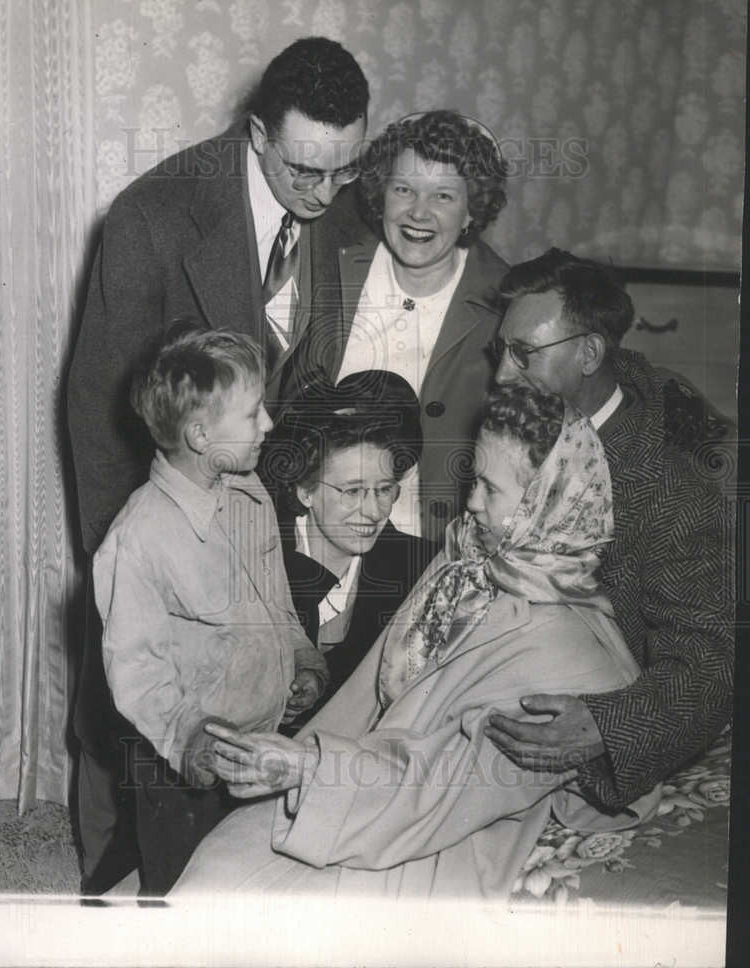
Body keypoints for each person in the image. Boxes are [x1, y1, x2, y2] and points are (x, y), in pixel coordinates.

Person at [66, 36, 369, 892]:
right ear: (258, 134)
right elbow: (97, 410)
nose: (327, 194)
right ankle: (98, 890)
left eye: (344, 171)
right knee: (128, 721)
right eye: (306, 171)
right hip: (163, 512)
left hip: (258, 515)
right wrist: (127, 569)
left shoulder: (337, 202)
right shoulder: (152, 218)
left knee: (246, 743)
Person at [169, 385, 660, 901]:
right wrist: (297, 757)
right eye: (474, 479)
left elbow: (442, 787)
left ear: (548, 502)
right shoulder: (472, 560)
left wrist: (308, 767)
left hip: (427, 833)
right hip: (357, 779)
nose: (470, 501)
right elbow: (366, 698)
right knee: (210, 868)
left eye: (490, 489)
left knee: (224, 899)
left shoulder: (567, 655)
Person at [483, 248, 734, 812]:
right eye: (500, 351)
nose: (501, 375)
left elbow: (714, 662)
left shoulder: (672, 489)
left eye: (523, 354)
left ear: (590, 353)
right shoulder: (518, 434)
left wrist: (606, 725)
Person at [93, 328, 328, 896]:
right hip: (181, 765)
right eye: (253, 415)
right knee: (182, 894)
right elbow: (138, 672)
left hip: (263, 739)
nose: (269, 423)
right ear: (200, 435)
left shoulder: (250, 495)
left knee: (252, 880)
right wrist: (191, 738)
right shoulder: (138, 539)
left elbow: (277, 605)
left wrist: (303, 657)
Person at [299, 109, 509, 545]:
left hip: (437, 548)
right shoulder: (329, 268)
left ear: (472, 211)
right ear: (381, 196)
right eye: (404, 189)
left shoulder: (504, 302)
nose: (419, 213)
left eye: (443, 197)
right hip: (320, 537)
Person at [271, 370, 436, 708]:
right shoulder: (255, 555)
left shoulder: (423, 571)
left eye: (384, 490)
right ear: (305, 490)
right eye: (353, 491)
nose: (373, 511)